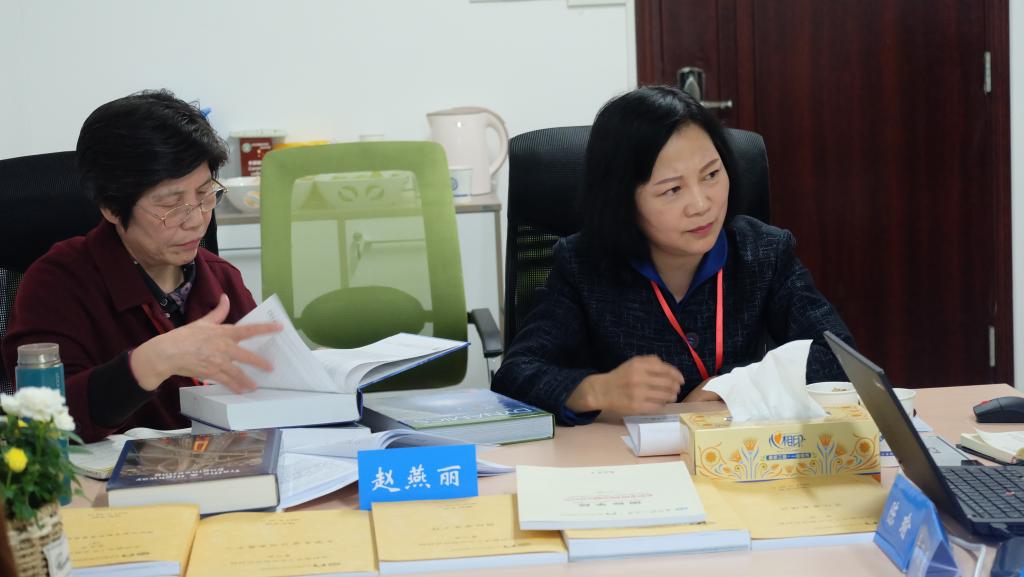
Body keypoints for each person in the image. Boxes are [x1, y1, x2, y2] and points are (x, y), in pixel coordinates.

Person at [492, 86, 854, 425]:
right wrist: (595, 390)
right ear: (622, 200)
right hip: (623, 457)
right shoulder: (583, 265)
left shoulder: (764, 253)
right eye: (672, 190)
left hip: (734, 456)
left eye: (711, 175)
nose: (701, 204)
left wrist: (731, 387)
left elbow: (842, 360)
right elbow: (515, 375)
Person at [1, 90, 280, 442]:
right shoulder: (55, 284)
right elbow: (44, 420)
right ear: (111, 208)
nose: (196, 220)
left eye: (205, 195)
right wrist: (151, 362)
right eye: (171, 204)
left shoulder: (222, 279)